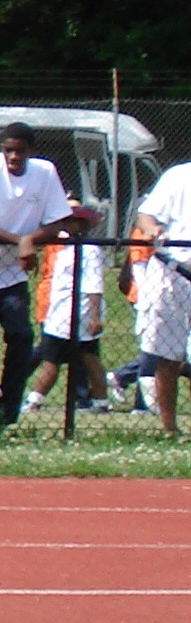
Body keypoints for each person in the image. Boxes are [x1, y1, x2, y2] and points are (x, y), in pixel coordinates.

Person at [0, 121, 77, 440]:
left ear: (32, 151)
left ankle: (6, 409)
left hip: (12, 274)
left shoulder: (45, 173)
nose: (14, 157)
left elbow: (60, 221)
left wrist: (29, 239)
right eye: (8, 150)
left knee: (21, 337)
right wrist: (20, 241)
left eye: (20, 151)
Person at [123, 157, 191, 437]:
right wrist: (150, 229)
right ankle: (170, 429)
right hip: (173, 273)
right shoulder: (179, 176)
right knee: (167, 357)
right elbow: (146, 215)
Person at [22, 210, 109, 421]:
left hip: (78, 311)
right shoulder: (65, 249)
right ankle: (101, 401)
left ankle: (34, 400)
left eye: (68, 222)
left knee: (53, 359)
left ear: (80, 225)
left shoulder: (88, 250)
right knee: (87, 357)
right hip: (61, 309)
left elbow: (94, 284)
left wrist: (95, 316)